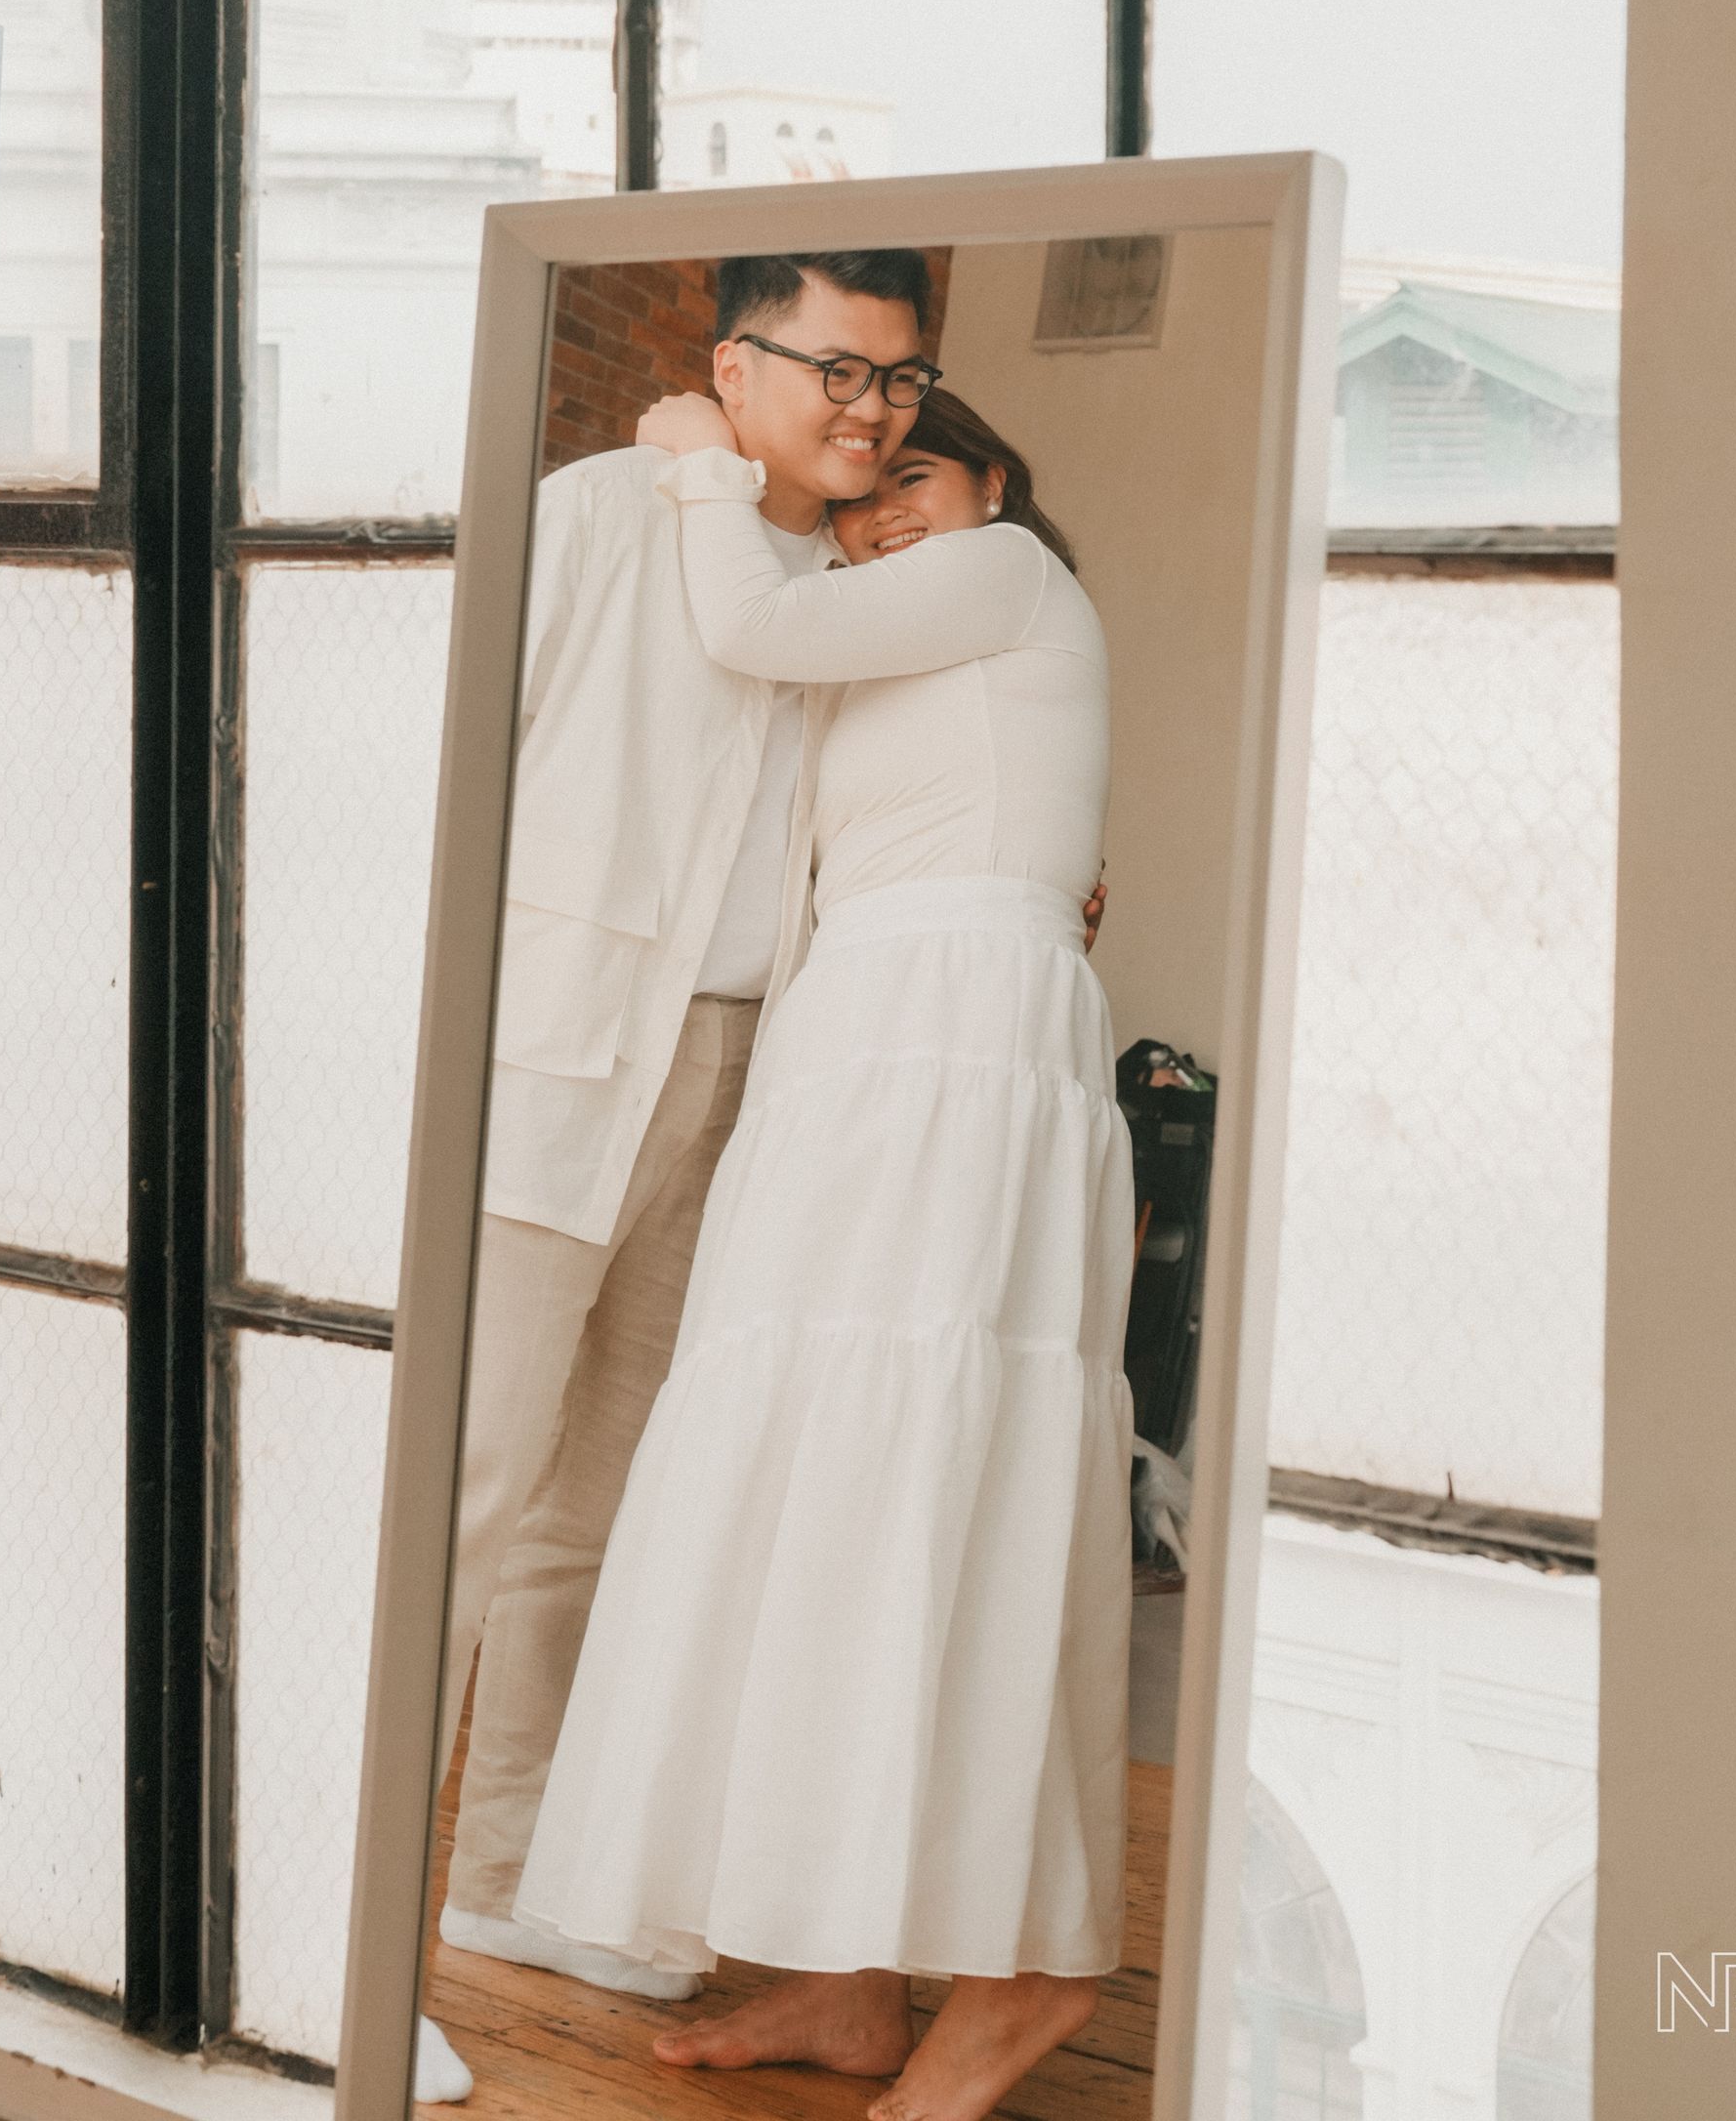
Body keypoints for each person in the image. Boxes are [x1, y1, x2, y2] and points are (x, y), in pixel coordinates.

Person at [515, 388, 1137, 2121]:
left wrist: (702, 462)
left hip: (956, 1026)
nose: (879, 515)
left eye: (910, 473)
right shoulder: (904, 639)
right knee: (840, 1477)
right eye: (860, 498)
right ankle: (857, 1972)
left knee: (938, 1459)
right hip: (862, 1029)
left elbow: (750, 621)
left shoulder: (1006, 571)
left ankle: (1029, 1966)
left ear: (994, 479)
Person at [415, 251, 939, 2103]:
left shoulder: (864, 582)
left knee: (602, 1508)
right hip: (550, 1054)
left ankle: (504, 1880)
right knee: (462, 1494)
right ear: (732, 368)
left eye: (901, 379)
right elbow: (452, 774)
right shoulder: (593, 517)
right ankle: (336, 1913)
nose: (872, 409)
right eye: (838, 368)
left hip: (743, 1073)